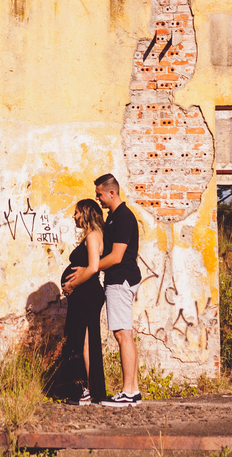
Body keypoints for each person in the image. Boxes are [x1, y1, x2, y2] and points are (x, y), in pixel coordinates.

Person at [95, 173, 142, 407]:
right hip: (120, 280)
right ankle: (133, 390)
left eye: (100, 195)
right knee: (125, 335)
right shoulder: (114, 216)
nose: (98, 199)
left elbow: (116, 256)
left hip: (120, 280)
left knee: (122, 335)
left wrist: (90, 268)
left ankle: (128, 392)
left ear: (111, 193)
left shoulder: (123, 217)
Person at [56, 199, 106, 405]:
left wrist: (72, 285)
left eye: (77, 213)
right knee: (83, 340)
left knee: (84, 341)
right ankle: (88, 388)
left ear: (86, 213)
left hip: (87, 292)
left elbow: (93, 267)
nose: (74, 216)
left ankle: (85, 389)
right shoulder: (91, 236)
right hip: (84, 293)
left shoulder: (93, 236)